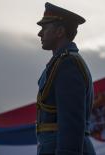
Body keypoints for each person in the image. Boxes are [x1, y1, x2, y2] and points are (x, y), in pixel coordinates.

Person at [36, 2, 96, 155]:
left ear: (60, 31)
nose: (39, 33)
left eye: (45, 28)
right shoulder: (60, 62)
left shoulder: (68, 63)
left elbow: (71, 123)